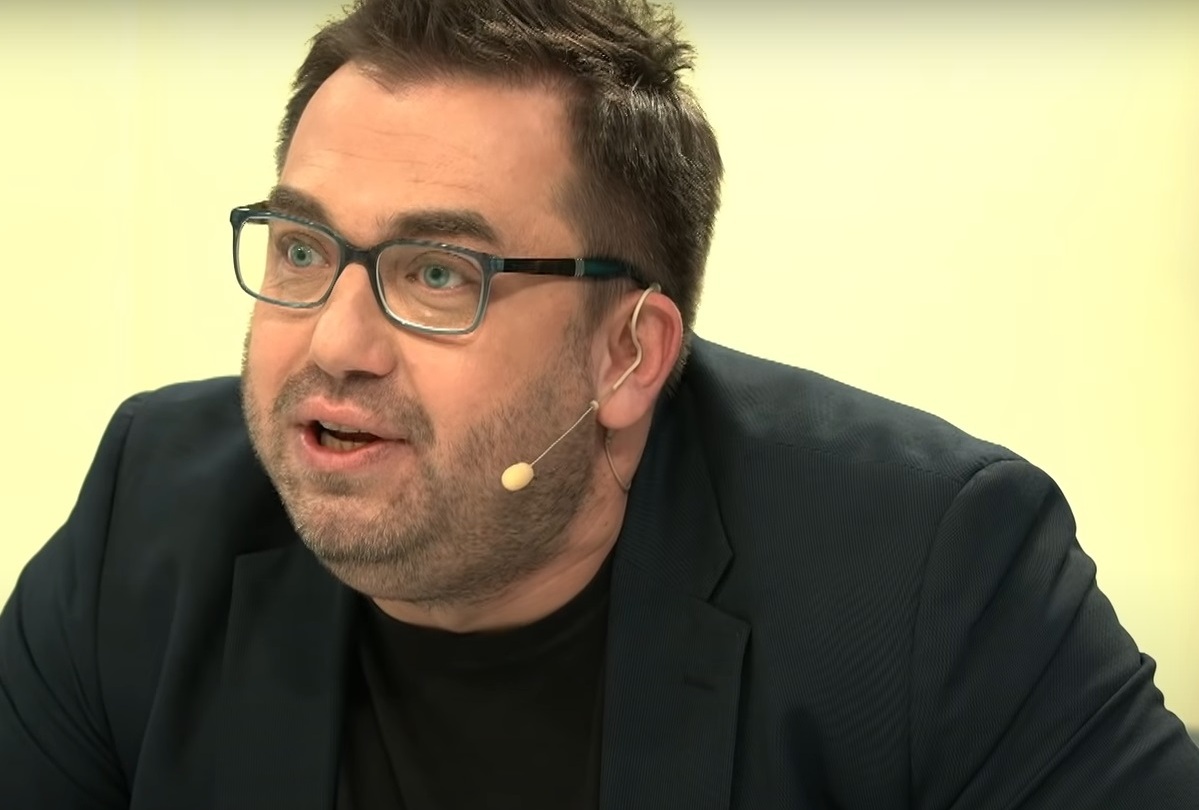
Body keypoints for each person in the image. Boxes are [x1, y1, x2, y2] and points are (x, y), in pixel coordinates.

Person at [2, 0, 1197, 807]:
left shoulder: (929, 573)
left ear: (628, 356)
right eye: (303, 248)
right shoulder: (153, 511)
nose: (336, 343)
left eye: (437, 275)